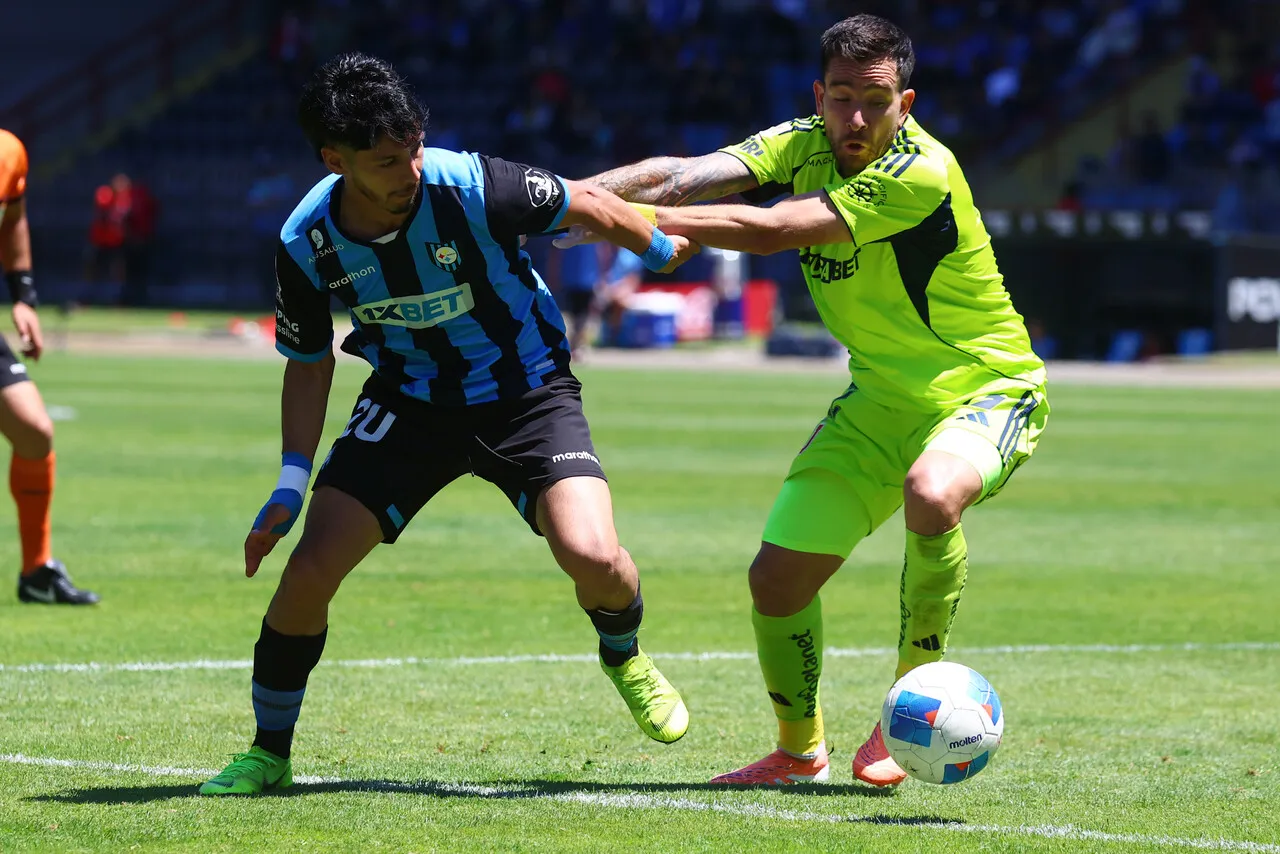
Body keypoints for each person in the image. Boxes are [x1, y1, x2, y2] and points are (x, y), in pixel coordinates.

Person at [563, 14, 1048, 787]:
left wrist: (623, 221)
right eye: (842, 98)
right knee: (776, 582)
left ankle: (906, 700)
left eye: (876, 100)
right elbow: (682, 175)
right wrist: (566, 197)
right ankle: (799, 752)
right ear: (819, 96)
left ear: (907, 103)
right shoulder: (803, 141)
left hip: (986, 388)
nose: (856, 118)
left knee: (931, 494)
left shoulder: (922, 172)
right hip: (877, 402)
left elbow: (777, 229)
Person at [198, 53, 697, 796]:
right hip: (410, 401)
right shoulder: (307, 244)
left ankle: (622, 653)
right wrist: (290, 482)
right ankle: (270, 752)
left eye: (413, 149)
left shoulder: (471, 183)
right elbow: (308, 362)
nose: (408, 171)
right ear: (335, 161)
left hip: (527, 391)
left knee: (594, 558)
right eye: (385, 162)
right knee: (307, 573)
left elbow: (585, 201)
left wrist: (655, 248)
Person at [0, 129, 99, 605]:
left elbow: (13, 218)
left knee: (34, 430)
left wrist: (23, 297)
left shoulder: (8, 151)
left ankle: (36, 570)